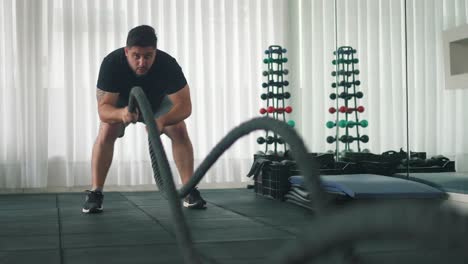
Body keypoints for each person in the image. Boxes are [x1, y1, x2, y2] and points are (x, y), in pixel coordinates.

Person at [82, 25, 206, 213]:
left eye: (148, 56)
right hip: (123, 104)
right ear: (126, 52)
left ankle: (189, 190)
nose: (142, 62)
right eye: (136, 56)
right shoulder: (112, 63)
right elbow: (103, 110)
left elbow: (185, 106)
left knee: (179, 128)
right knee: (107, 130)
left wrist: (162, 120)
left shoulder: (167, 64)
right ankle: (95, 192)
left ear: (155, 52)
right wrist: (121, 113)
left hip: (157, 105)